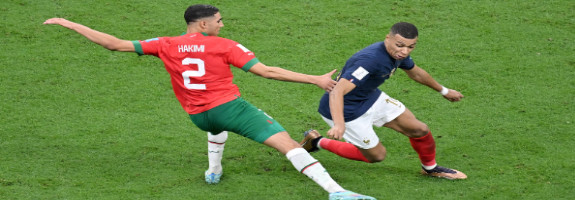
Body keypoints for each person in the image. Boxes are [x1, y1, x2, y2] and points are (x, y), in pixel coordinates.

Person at [44, 4, 377, 200]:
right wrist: (314, 79)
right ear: (203, 24)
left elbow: (115, 44)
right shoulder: (225, 45)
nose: (222, 24)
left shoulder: (166, 43)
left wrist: (70, 22)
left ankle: (214, 170)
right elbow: (266, 71)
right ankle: (337, 192)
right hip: (230, 109)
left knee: (215, 127)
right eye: (218, 20)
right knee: (290, 144)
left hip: (197, 116)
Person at [300, 22, 467, 180]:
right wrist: (339, 124)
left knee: (419, 129)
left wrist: (444, 90)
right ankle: (316, 141)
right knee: (376, 155)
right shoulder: (370, 61)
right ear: (388, 38)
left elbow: (415, 72)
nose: (405, 51)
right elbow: (337, 92)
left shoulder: (397, 54)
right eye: (400, 45)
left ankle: (430, 168)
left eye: (411, 47)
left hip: (371, 97)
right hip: (347, 111)